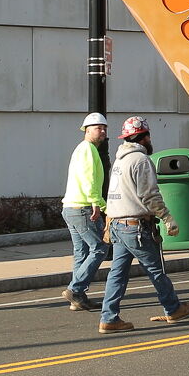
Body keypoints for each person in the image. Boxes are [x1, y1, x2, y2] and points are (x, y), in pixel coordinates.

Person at [98, 117, 189, 333]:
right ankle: (173, 309)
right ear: (143, 137)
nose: (150, 140)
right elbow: (150, 195)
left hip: (117, 225)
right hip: (134, 227)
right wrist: (167, 217)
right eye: (148, 135)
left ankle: (108, 318)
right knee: (156, 269)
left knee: (117, 273)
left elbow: (114, 194)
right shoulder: (140, 160)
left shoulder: (120, 160)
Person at [61, 111, 110, 311]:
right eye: (99, 128)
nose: (103, 131)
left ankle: (78, 298)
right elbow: (89, 179)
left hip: (71, 208)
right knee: (100, 248)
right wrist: (97, 204)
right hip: (83, 208)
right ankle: (75, 289)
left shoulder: (82, 149)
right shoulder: (88, 149)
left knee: (81, 253)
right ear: (87, 130)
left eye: (105, 128)